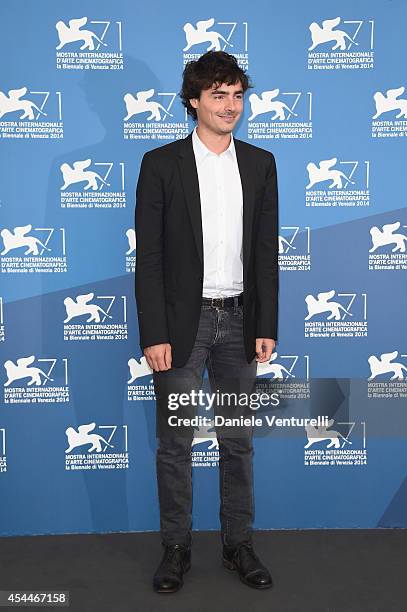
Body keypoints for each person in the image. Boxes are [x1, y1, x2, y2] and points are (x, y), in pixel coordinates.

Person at [135, 50, 279, 593]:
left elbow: (266, 253)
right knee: (175, 440)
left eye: (238, 94)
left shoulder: (261, 163)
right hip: (182, 327)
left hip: (239, 324)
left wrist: (266, 322)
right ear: (193, 100)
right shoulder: (161, 164)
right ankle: (175, 547)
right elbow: (148, 258)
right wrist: (154, 332)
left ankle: (238, 544)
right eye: (219, 95)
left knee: (237, 440)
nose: (231, 106)